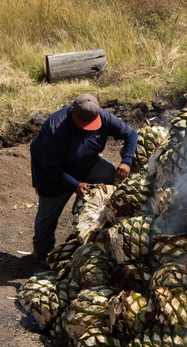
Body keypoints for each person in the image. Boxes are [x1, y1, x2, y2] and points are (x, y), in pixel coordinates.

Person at [29, 93, 138, 270]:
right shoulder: (55, 129)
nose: (88, 128)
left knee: (108, 174)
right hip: (53, 172)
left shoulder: (102, 116)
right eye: (83, 124)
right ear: (72, 111)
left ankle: (86, 211)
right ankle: (41, 252)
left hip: (86, 162)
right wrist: (74, 184)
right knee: (48, 214)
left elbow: (131, 134)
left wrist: (126, 161)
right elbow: (51, 166)